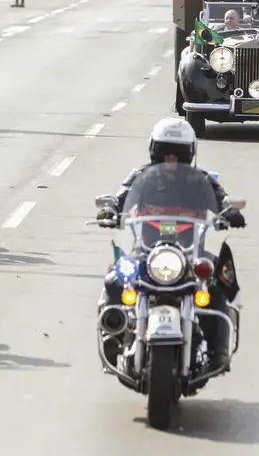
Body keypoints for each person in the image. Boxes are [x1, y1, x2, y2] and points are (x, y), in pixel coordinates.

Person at [95, 117, 245, 370]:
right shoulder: (140, 177)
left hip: (189, 253)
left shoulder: (201, 180)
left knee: (218, 280)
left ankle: (218, 349)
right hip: (145, 253)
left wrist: (229, 212)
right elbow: (121, 198)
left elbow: (221, 199)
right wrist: (111, 210)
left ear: (189, 155)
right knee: (115, 279)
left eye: (177, 154)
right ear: (155, 152)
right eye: (165, 153)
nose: (171, 159)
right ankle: (114, 334)